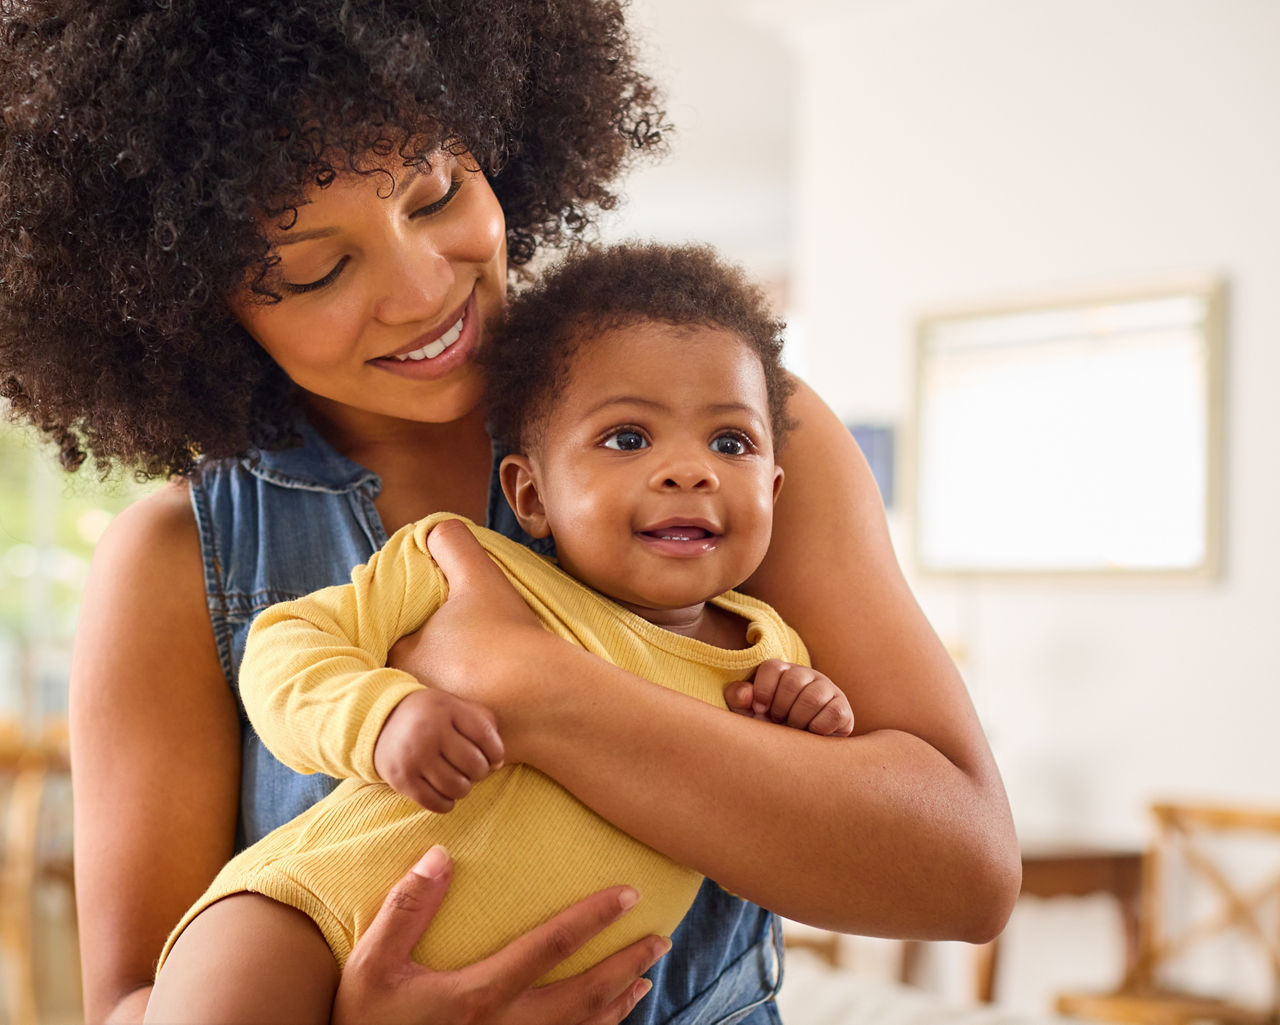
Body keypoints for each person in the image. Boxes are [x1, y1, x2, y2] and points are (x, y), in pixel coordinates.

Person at [0, 2, 1021, 1024]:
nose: (418, 289)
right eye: (316, 266)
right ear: (184, 303)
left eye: (434, 192)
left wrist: (529, 684)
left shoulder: (724, 447)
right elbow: (132, 1001)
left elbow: (964, 873)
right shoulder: (184, 555)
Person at [150, 242, 858, 1022]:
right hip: (306, 921)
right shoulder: (461, 563)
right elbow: (285, 645)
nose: (689, 470)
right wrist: (382, 716)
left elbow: (805, 818)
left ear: (775, 487)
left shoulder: (772, 652)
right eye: (628, 438)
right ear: (529, 493)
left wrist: (810, 715)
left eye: (732, 443)